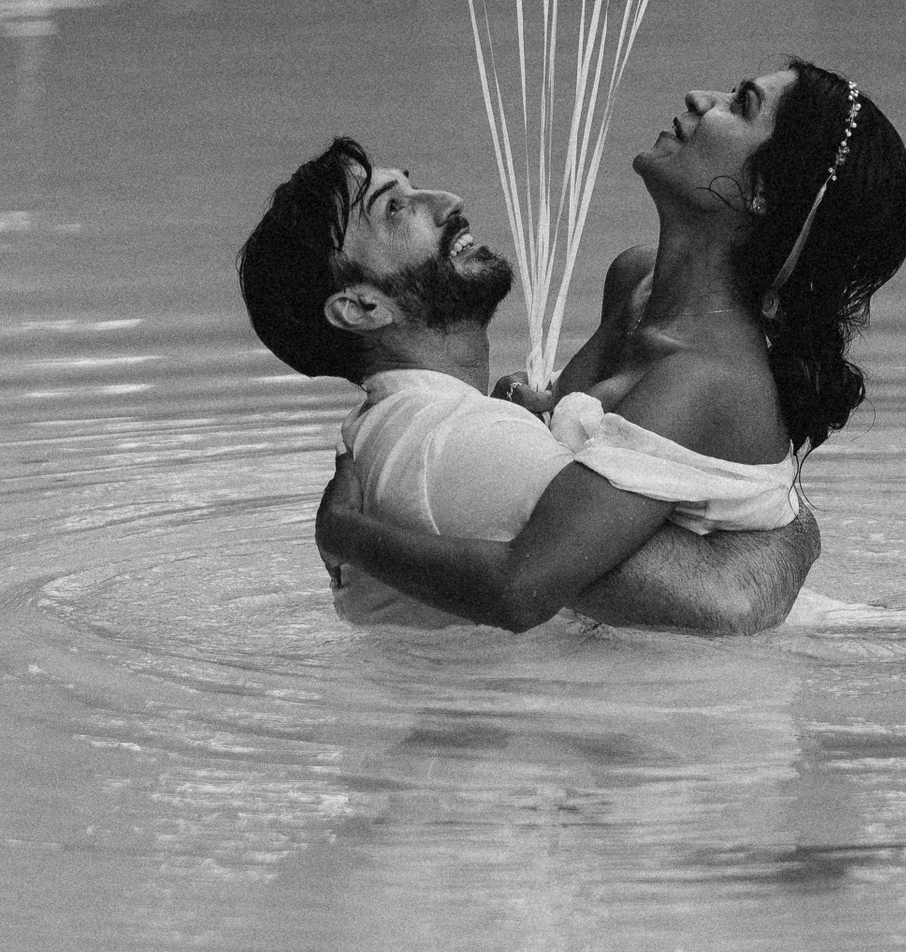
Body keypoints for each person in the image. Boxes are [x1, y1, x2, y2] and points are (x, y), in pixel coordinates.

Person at [303, 58, 906, 632]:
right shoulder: (637, 280)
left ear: (763, 194)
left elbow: (520, 589)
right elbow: (570, 452)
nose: (702, 99)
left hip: (720, 684)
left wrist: (347, 532)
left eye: (742, 104)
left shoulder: (703, 377)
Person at [237, 133, 822, 634]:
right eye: (395, 209)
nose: (446, 201)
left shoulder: (432, 432)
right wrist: (793, 517)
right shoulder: (456, 441)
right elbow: (729, 602)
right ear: (362, 307)